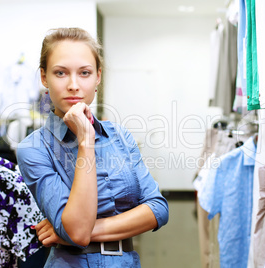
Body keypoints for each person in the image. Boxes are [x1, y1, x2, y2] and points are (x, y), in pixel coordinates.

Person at [16, 27, 169, 267]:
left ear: (97, 77)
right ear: (45, 78)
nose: (74, 85)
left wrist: (69, 232)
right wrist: (86, 141)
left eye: (84, 73)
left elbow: (158, 209)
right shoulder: (33, 148)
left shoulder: (120, 136)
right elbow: (77, 231)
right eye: (61, 73)